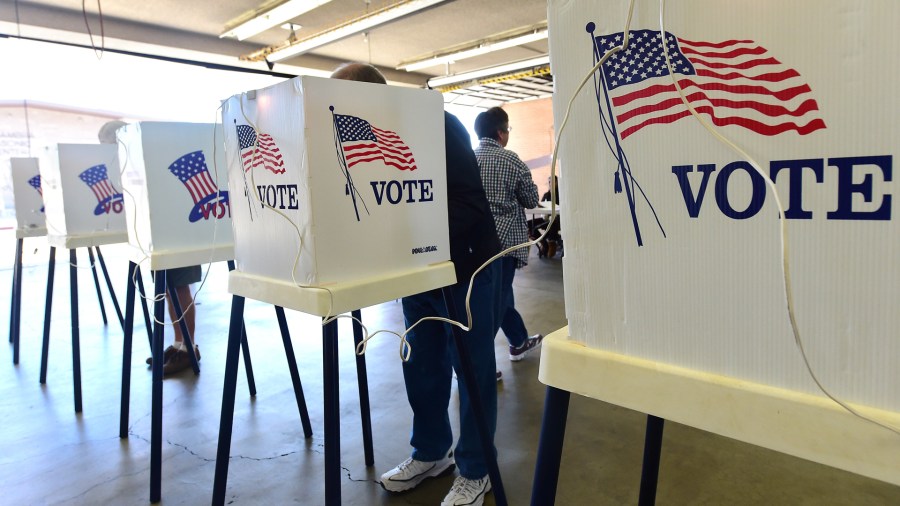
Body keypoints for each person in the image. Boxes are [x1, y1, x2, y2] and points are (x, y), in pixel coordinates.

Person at [331, 62, 502, 506]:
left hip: (467, 268)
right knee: (421, 363)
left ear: (373, 98)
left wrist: (416, 232)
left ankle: (476, 469)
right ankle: (431, 452)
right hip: (418, 270)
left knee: (473, 368)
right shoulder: (359, 135)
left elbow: (470, 204)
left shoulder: (434, 123)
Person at [98, 121, 203, 376]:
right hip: (157, 236)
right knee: (168, 291)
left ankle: (189, 350)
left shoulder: (149, 153)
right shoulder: (135, 160)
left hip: (177, 232)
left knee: (180, 290)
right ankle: (180, 344)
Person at [474, 107, 544, 362]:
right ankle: (477, 366)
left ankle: (518, 341)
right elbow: (530, 199)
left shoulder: (468, 158)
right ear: (501, 133)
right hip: (504, 245)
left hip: (473, 243)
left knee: (497, 295)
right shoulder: (511, 160)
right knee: (494, 304)